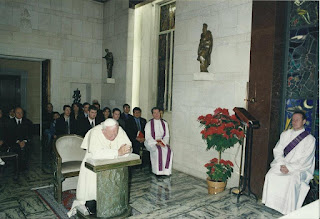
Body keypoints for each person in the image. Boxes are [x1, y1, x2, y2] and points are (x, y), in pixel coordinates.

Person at [67, 119, 132, 217]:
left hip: (113, 167)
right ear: (103, 131)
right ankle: (91, 206)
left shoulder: (120, 130)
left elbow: (128, 145)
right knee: (93, 192)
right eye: (111, 135)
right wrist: (117, 152)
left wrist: (127, 148)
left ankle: (114, 205)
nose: (114, 137)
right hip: (93, 167)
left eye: (116, 134)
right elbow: (96, 153)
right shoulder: (95, 132)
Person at [262, 111, 315, 215]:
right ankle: (271, 204)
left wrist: (289, 168)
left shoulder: (310, 139)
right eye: (293, 120)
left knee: (290, 180)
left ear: (304, 121)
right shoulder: (285, 134)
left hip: (299, 169)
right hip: (282, 164)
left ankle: (287, 209)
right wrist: (282, 164)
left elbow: (306, 159)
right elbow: (278, 150)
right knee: (271, 175)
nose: (294, 122)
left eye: (297, 120)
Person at [144, 107, 173, 176]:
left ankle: (166, 171)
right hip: (151, 142)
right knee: (157, 151)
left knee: (169, 151)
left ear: (160, 113)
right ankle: (157, 171)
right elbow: (148, 137)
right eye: (155, 113)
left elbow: (167, 136)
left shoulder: (165, 123)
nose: (156, 114)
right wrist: (156, 143)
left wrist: (164, 142)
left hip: (162, 141)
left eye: (158, 113)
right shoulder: (148, 124)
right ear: (152, 114)